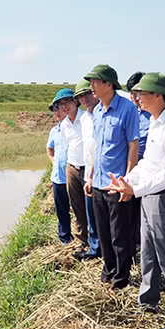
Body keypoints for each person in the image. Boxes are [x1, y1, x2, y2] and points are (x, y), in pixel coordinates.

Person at [106, 72, 165, 329]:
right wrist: (128, 182)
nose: (137, 98)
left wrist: (136, 189)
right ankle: (147, 300)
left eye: (142, 93)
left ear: (158, 95)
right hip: (149, 196)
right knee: (149, 253)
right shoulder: (156, 122)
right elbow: (148, 164)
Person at [83, 64, 139, 289]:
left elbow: (133, 145)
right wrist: (90, 177)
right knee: (103, 232)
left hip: (116, 183)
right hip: (98, 182)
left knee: (119, 233)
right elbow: (97, 147)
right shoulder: (97, 111)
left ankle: (121, 277)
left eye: (95, 82)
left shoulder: (127, 109)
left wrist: (128, 180)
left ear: (108, 84)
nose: (91, 87)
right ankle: (108, 269)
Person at [58, 88, 89, 251]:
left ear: (76, 101)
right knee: (77, 207)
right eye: (60, 104)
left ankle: (97, 240)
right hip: (72, 168)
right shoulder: (64, 125)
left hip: (88, 169)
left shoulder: (86, 118)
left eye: (67, 101)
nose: (64, 106)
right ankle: (82, 240)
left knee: (92, 207)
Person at [74, 79, 101, 260]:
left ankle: (107, 249)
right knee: (91, 212)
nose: (84, 99)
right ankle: (95, 248)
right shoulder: (84, 119)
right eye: (80, 96)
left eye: (86, 94)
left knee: (105, 215)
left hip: (104, 173)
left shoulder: (103, 114)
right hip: (89, 173)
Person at [126, 71, 151, 259]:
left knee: (147, 209)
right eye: (132, 93)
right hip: (132, 168)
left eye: (138, 93)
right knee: (131, 209)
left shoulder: (155, 114)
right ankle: (135, 244)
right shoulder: (130, 112)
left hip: (149, 169)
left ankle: (146, 246)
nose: (135, 97)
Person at [47, 90, 72, 244]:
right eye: (54, 109)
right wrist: (54, 162)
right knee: (61, 209)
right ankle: (65, 238)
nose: (56, 112)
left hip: (74, 176)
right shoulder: (54, 131)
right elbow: (49, 149)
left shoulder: (74, 126)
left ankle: (85, 237)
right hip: (58, 177)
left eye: (58, 108)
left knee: (80, 209)